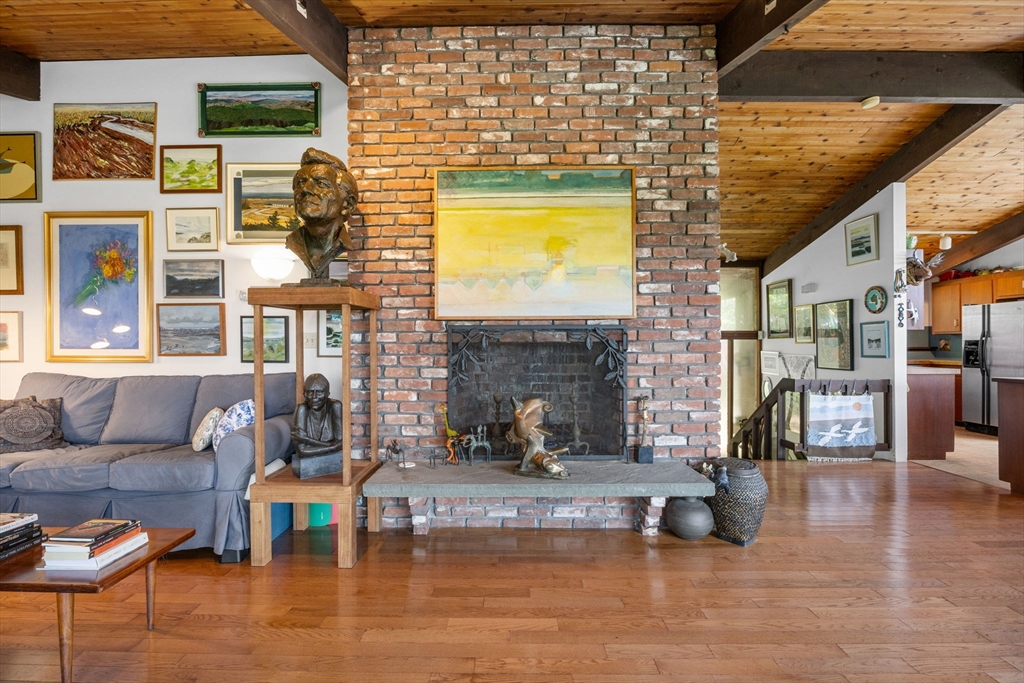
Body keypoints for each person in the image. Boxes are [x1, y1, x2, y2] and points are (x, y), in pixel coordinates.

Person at [286, 148, 359, 282]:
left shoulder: (344, 245)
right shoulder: (293, 243)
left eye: (321, 184)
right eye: (300, 183)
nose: (305, 189)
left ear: (348, 204)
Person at [291, 373, 344, 458]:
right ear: (304, 394)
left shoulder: (335, 406)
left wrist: (307, 440)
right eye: (310, 392)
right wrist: (332, 447)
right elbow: (301, 451)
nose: (314, 397)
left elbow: (341, 443)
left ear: (328, 394)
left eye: (319, 392)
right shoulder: (302, 409)